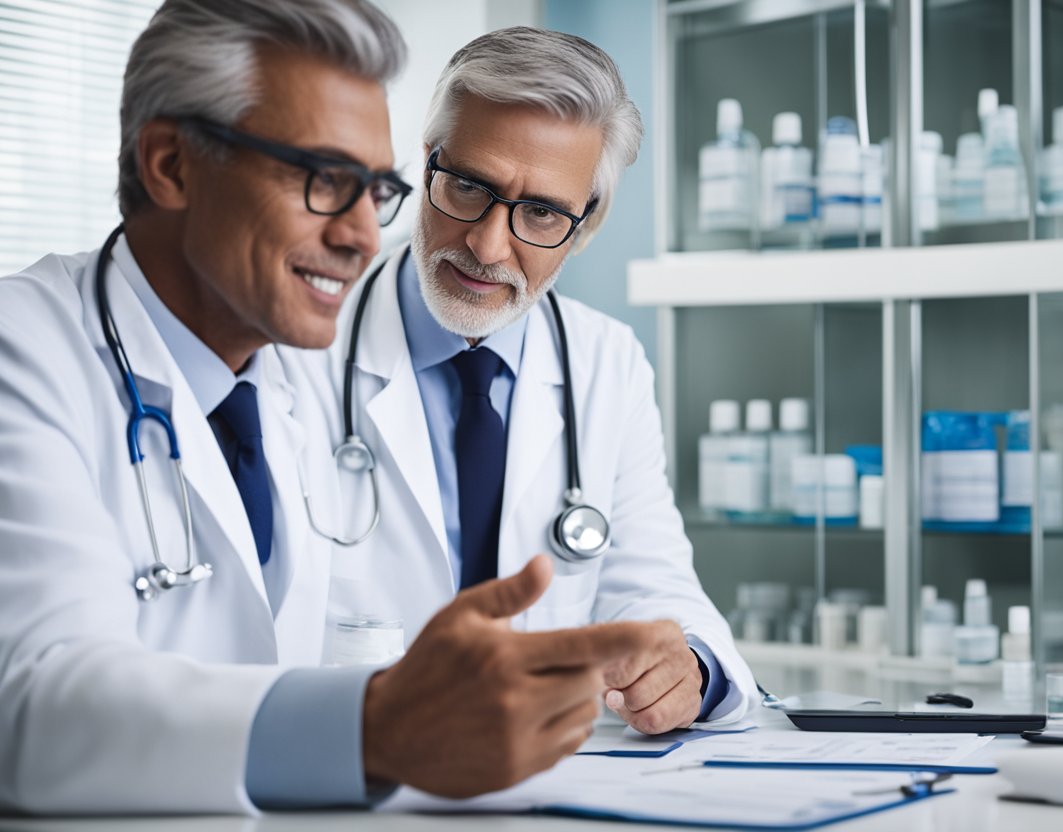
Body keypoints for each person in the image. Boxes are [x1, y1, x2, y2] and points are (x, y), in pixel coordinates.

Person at [0, 2, 659, 814]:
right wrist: (379, 725)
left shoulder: (270, 370)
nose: (360, 235)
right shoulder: (23, 347)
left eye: (373, 189)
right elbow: (31, 706)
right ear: (172, 164)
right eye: (322, 180)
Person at [310, 27, 756, 737]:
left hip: (549, 776)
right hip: (350, 764)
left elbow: (652, 585)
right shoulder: (303, 339)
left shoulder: (606, 362)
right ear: (426, 164)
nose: (486, 246)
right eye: (467, 187)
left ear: (586, 224)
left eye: (541, 212)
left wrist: (689, 668)